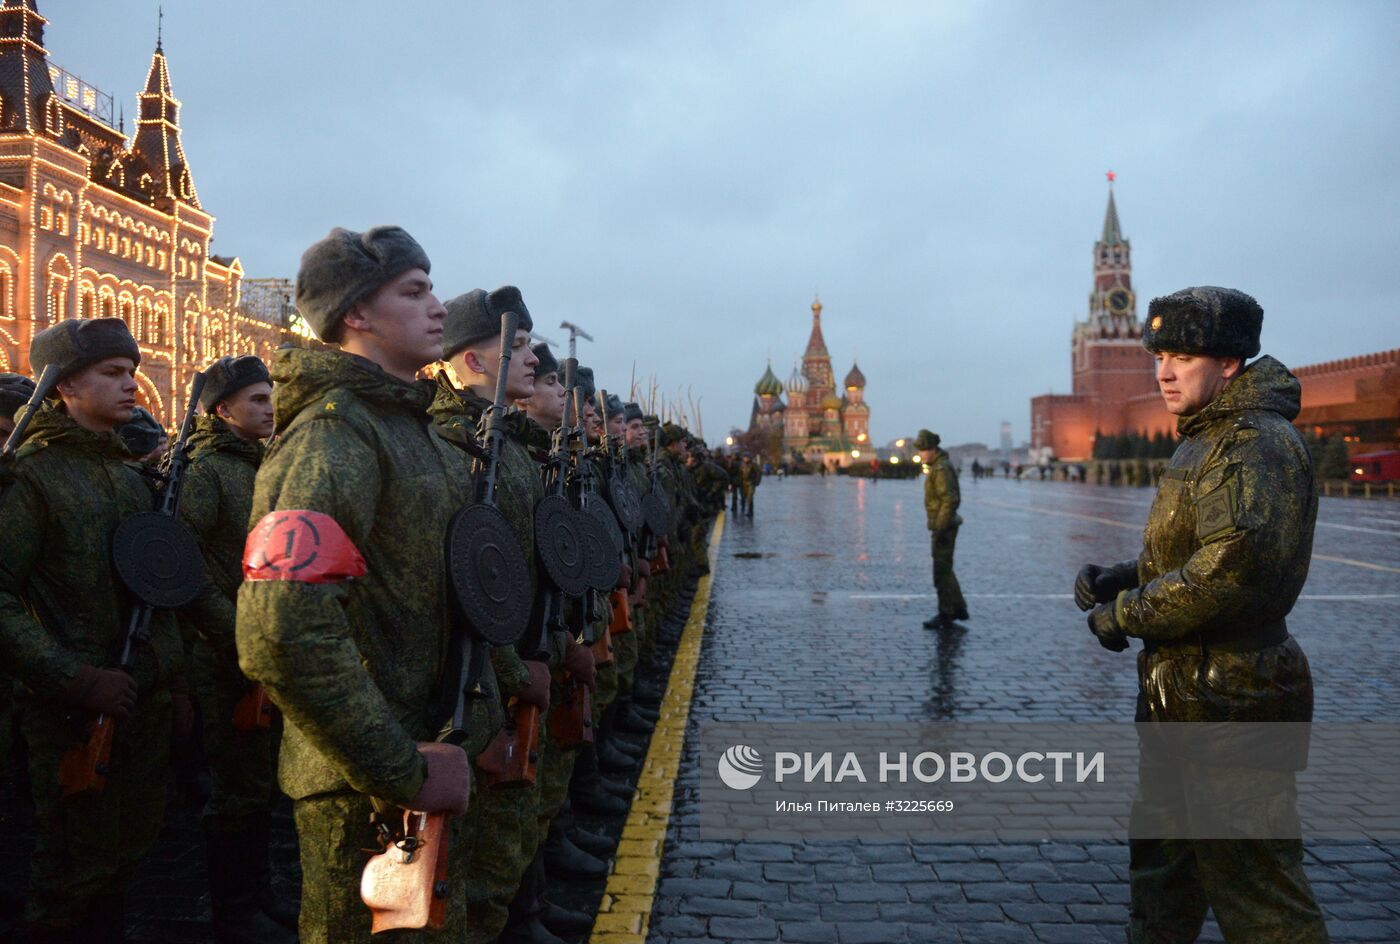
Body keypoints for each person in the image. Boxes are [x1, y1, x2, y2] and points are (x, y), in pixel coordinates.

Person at [236, 226, 490, 944]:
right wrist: (400, 767)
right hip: (363, 791)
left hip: (427, 764)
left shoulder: (412, 431)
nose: (437, 306)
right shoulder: (331, 439)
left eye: (432, 286)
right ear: (356, 314)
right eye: (414, 291)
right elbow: (280, 633)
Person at [1074, 286, 1328, 943]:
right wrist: (1121, 577)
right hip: (1181, 694)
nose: (1163, 370)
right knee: (1163, 872)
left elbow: (1228, 573)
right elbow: (1198, 547)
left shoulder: (1255, 446)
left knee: (1259, 894)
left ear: (1230, 364)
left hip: (1235, 697)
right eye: (1160, 354)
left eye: (1183, 356)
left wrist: (1125, 613)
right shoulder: (1207, 437)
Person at [0, 318, 188, 941]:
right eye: (112, 373)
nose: (131, 385)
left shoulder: (130, 479)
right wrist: (73, 679)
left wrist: (174, 680)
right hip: (71, 713)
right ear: (64, 387)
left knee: (127, 857)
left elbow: (158, 592)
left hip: (142, 701)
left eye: (131, 371)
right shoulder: (30, 477)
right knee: (71, 870)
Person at [179, 354, 295, 944]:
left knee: (260, 783)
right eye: (256, 399)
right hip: (226, 656)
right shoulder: (206, 473)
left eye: (270, 395)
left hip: (268, 651)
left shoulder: (266, 462)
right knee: (236, 789)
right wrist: (236, 635)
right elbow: (184, 568)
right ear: (222, 410)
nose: (269, 406)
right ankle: (235, 910)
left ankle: (259, 893)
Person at [916, 429, 969, 630]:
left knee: (941, 571)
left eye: (923, 450)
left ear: (932, 450)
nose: (921, 454)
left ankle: (946, 613)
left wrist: (939, 527)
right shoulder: (938, 467)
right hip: (943, 525)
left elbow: (949, 499)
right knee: (945, 569)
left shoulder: (940, 469)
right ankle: (958, 608)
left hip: (944, 527)